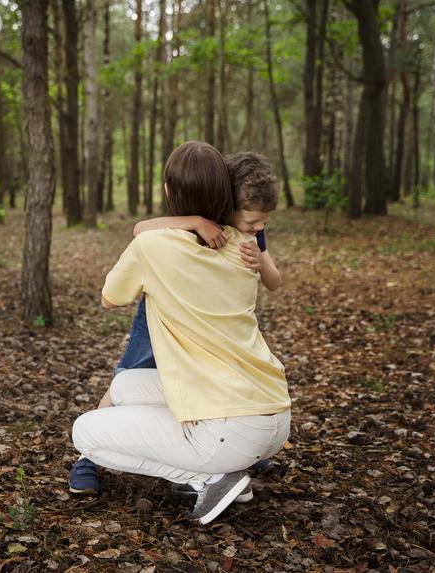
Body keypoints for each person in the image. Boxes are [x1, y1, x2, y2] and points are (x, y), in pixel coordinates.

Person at [70, 142, 291, 525]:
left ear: (170, 192)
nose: (257, 227)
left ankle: (212, 475)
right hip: (275, 409)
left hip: (234, 426)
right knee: (126, 385)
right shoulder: (244, 245)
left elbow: (109, 297)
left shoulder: (155, 244)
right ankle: (231, 460)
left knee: (84, 430)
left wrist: (179, 227)